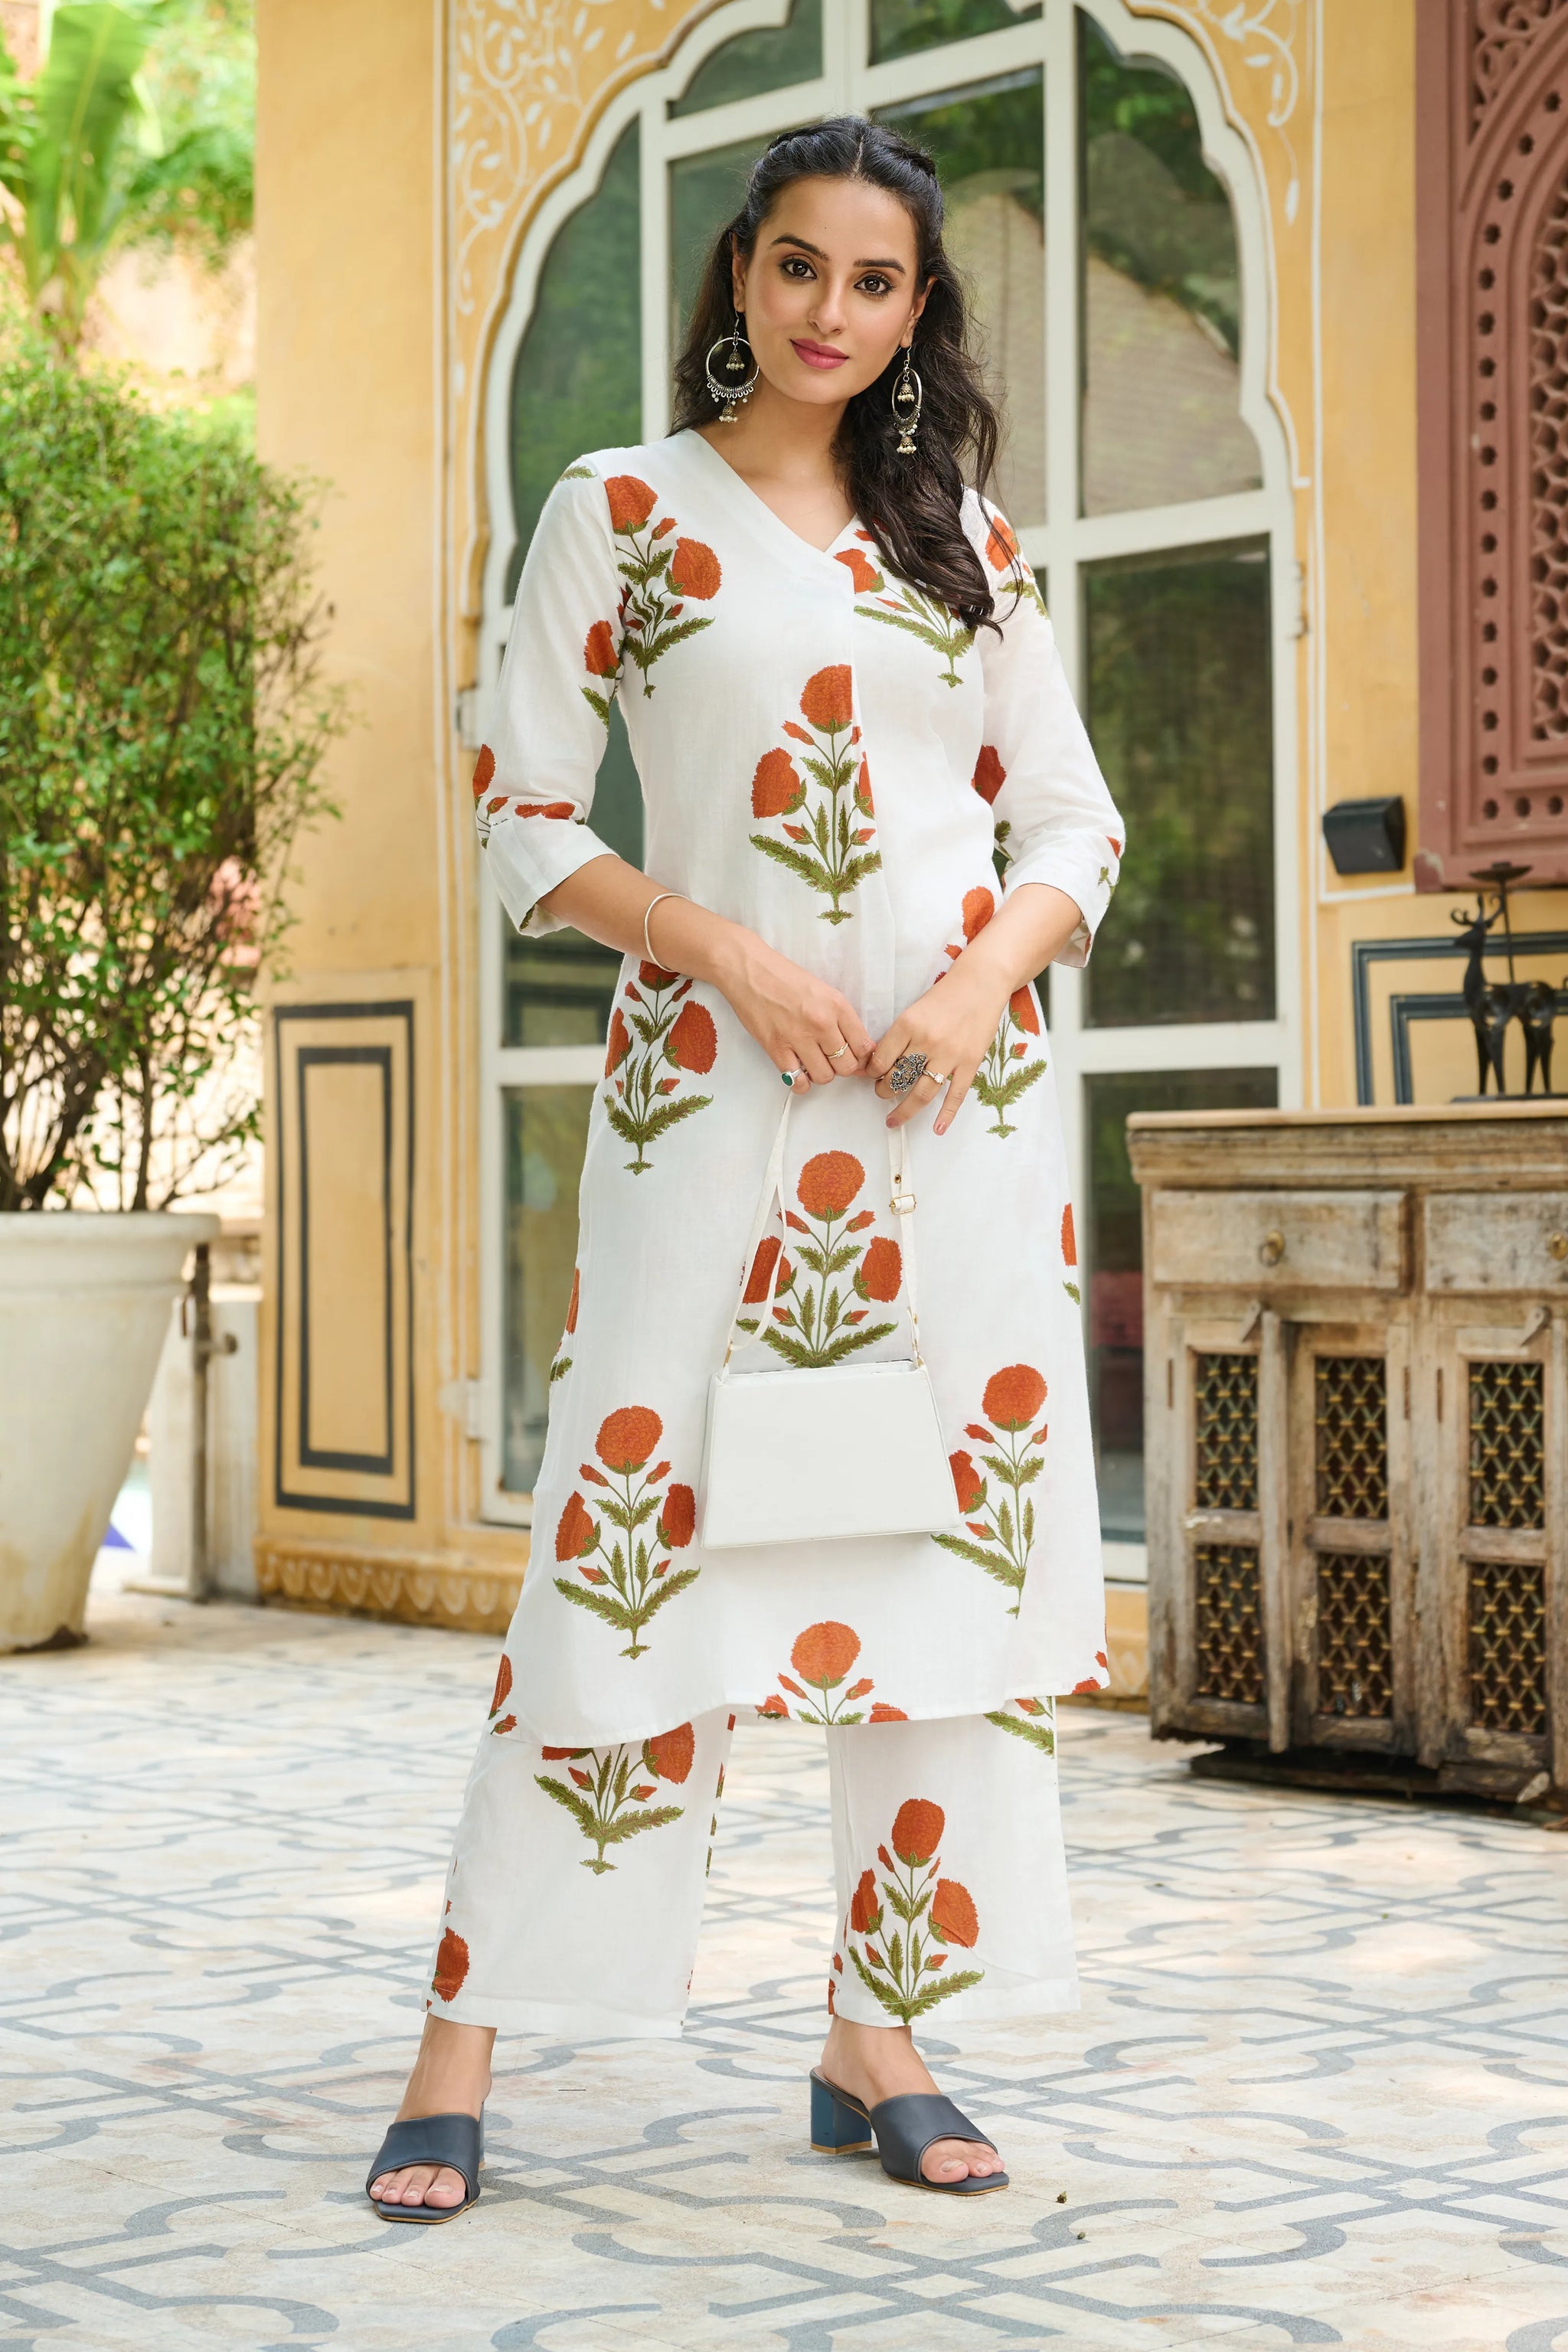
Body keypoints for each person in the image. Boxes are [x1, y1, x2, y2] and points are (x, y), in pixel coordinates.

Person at [368, 114, 1123, 2221]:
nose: (830, 312)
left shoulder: (962, 541)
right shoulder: (619, 510)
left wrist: (971, 991)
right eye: (799, 266)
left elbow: (1070, 823)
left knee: (934, 1582)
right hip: (703, 1113)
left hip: (954, 1133)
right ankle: (463, 2038)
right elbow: (528, 816)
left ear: (915, 311)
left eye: (874, 283)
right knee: (623, 1546)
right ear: (739, 273)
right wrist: (725, 953)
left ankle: (882, 2035)